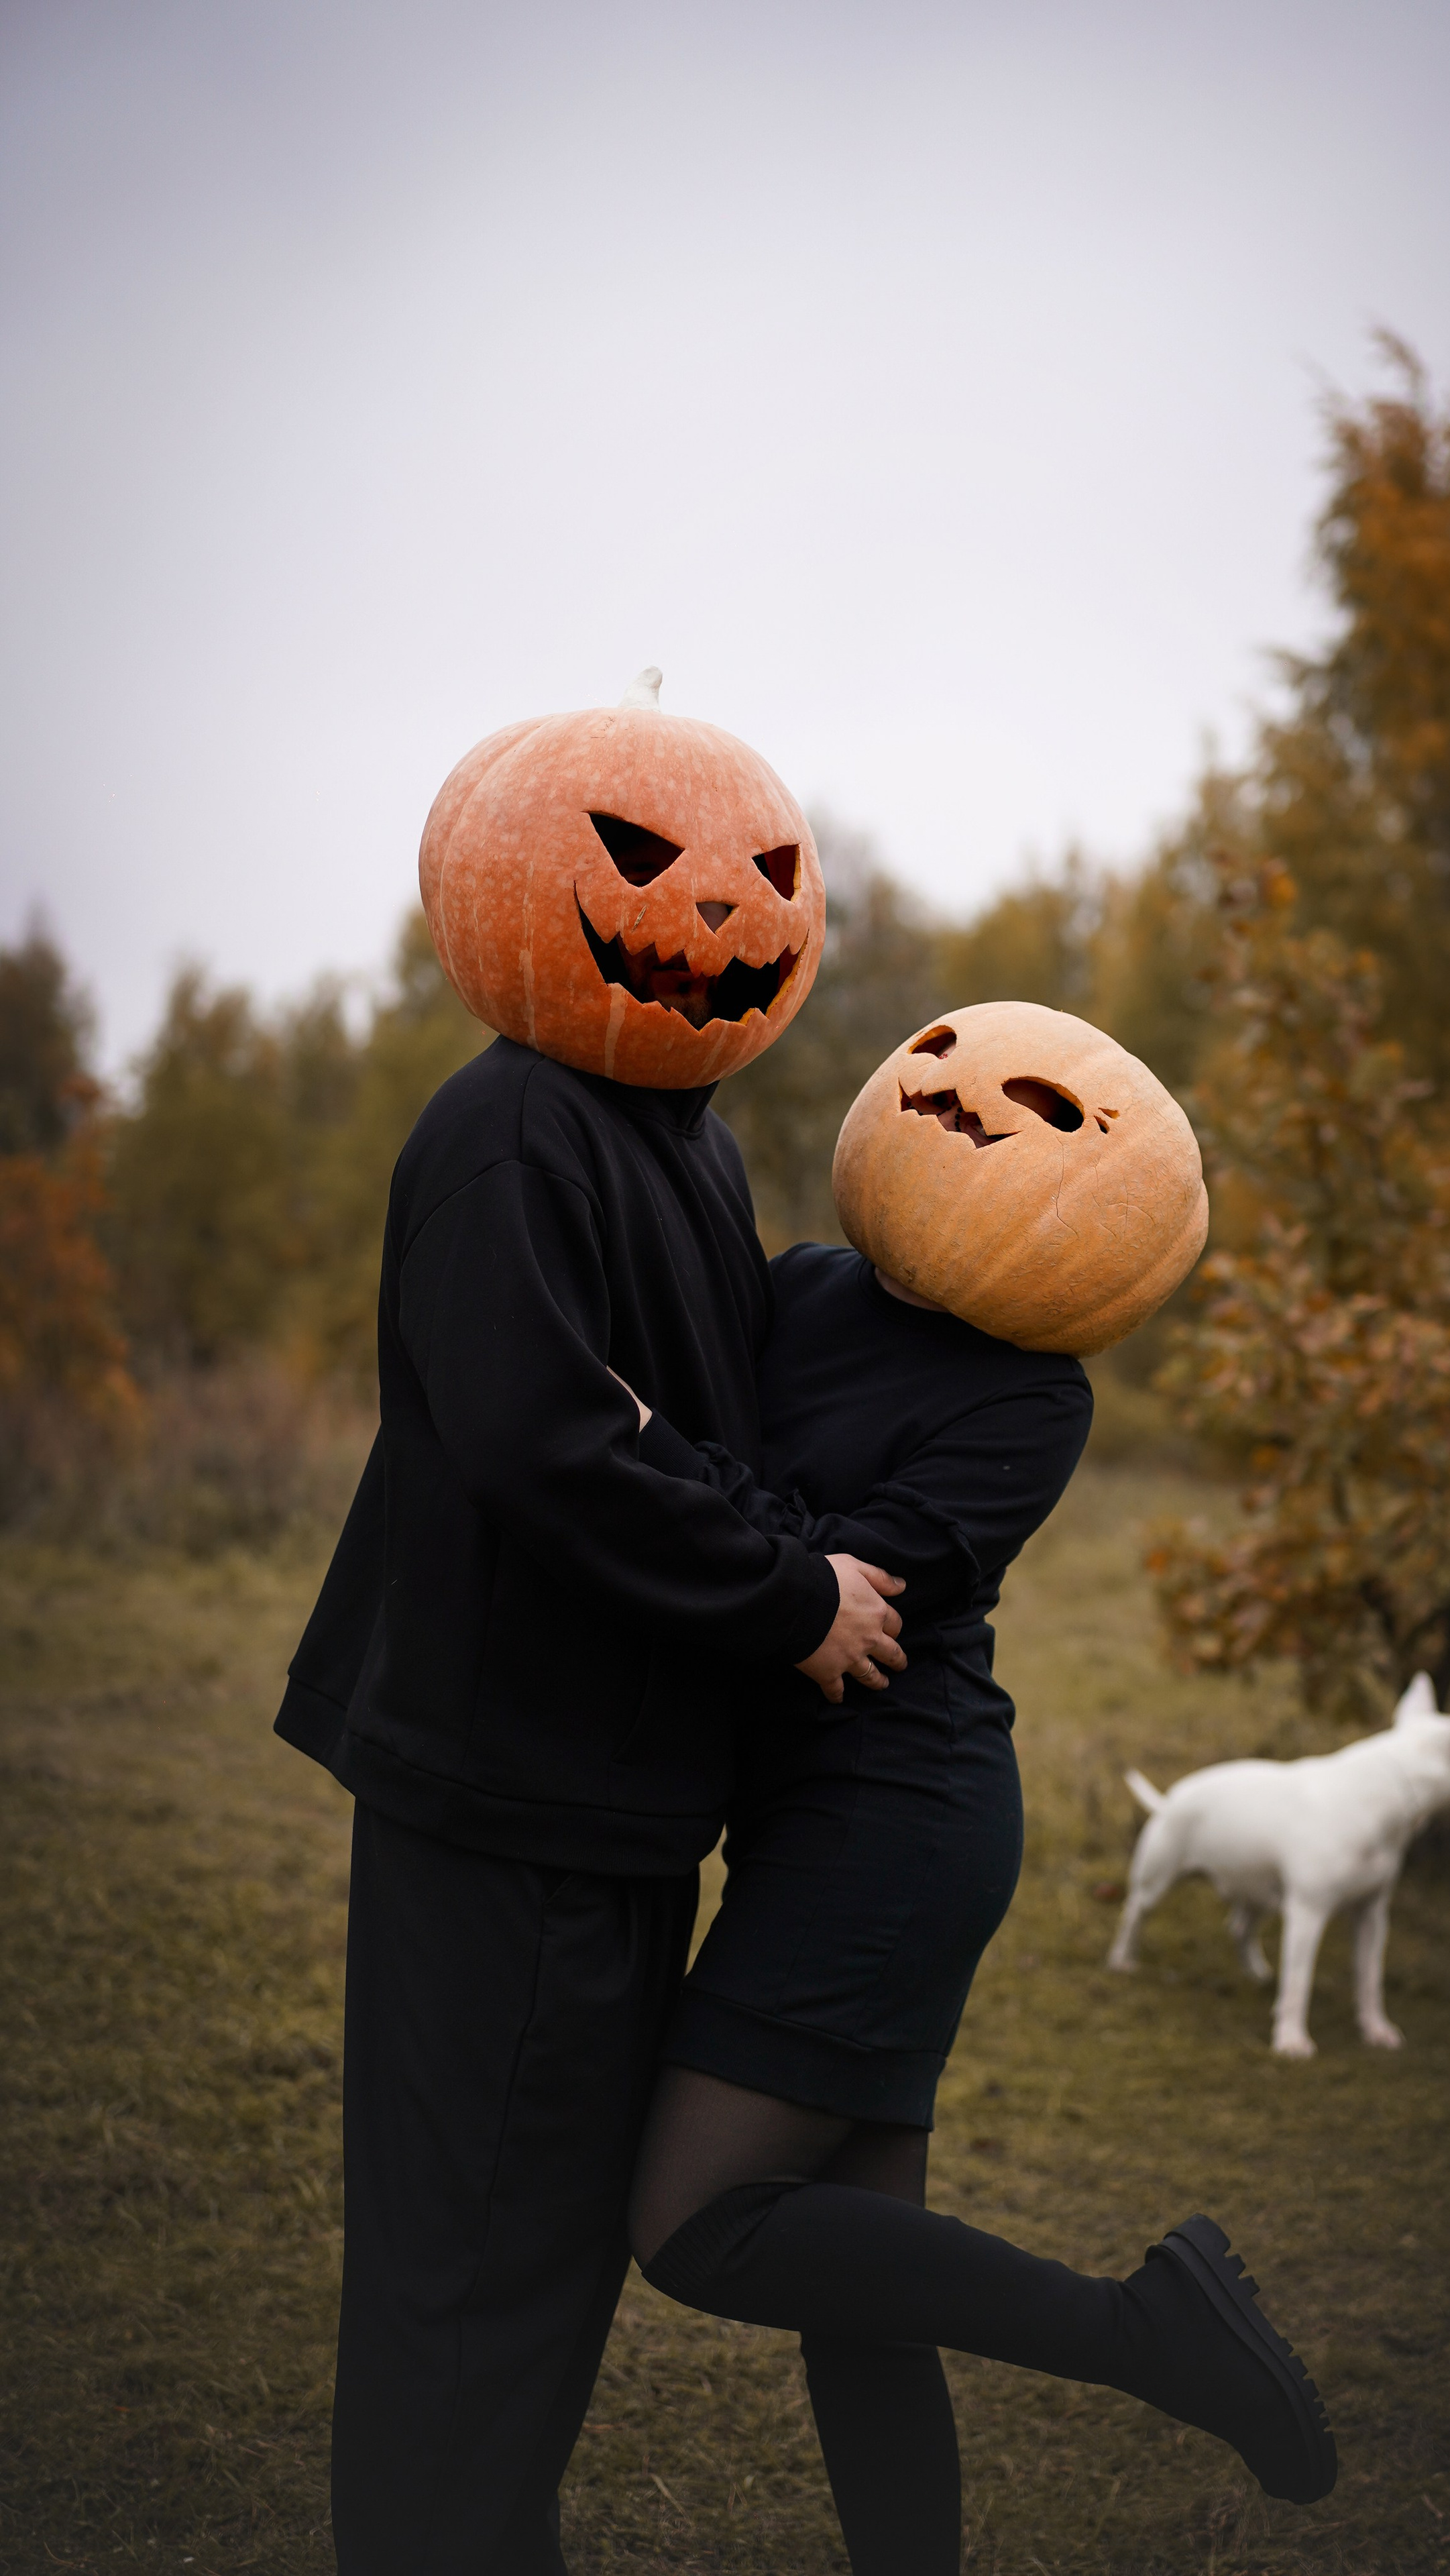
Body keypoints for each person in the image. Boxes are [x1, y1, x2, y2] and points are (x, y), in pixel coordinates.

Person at [274, 683, 907, 2576]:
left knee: (538, 2259)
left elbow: (679, 1429)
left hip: (612, 1797)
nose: (717, 912)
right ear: (529, 882)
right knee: (474, 2259)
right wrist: (785, 1598)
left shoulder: (683, 1139)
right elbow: (549, 1441)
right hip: (512, 1790)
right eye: (646, 867)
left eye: (765, 881)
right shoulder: (516, 1133)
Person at [621, 1014, 1337, 2575]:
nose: (957, 1109)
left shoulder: (1034, 1398)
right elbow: (763, 1544)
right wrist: (683, 1470)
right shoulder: (797, 1285)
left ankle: (1144, 2331)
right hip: (822, 1819)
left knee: (693, 2224)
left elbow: (842, 1598)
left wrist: (659, 1456)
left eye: (1026, 1111)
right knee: (858, 2294)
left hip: (895, 1826)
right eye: (944, 1073)